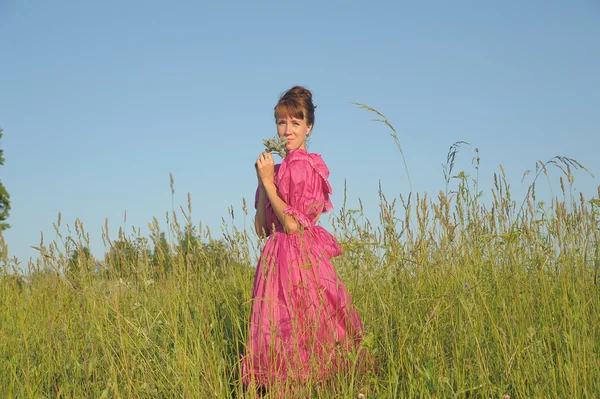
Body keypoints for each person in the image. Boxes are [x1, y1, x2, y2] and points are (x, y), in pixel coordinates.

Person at [241, 86, 364, 391]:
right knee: (277, 329)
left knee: (302, 327)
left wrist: (269, 182)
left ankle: (309, 387)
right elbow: (261, 229)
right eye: (282, 122)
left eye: (296, 123)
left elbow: (293, 225)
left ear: (309, 127)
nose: (287, 130)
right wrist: (263, 183)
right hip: (274, 257)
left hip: (299, 257)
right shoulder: (278, 167)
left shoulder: (304, 166)